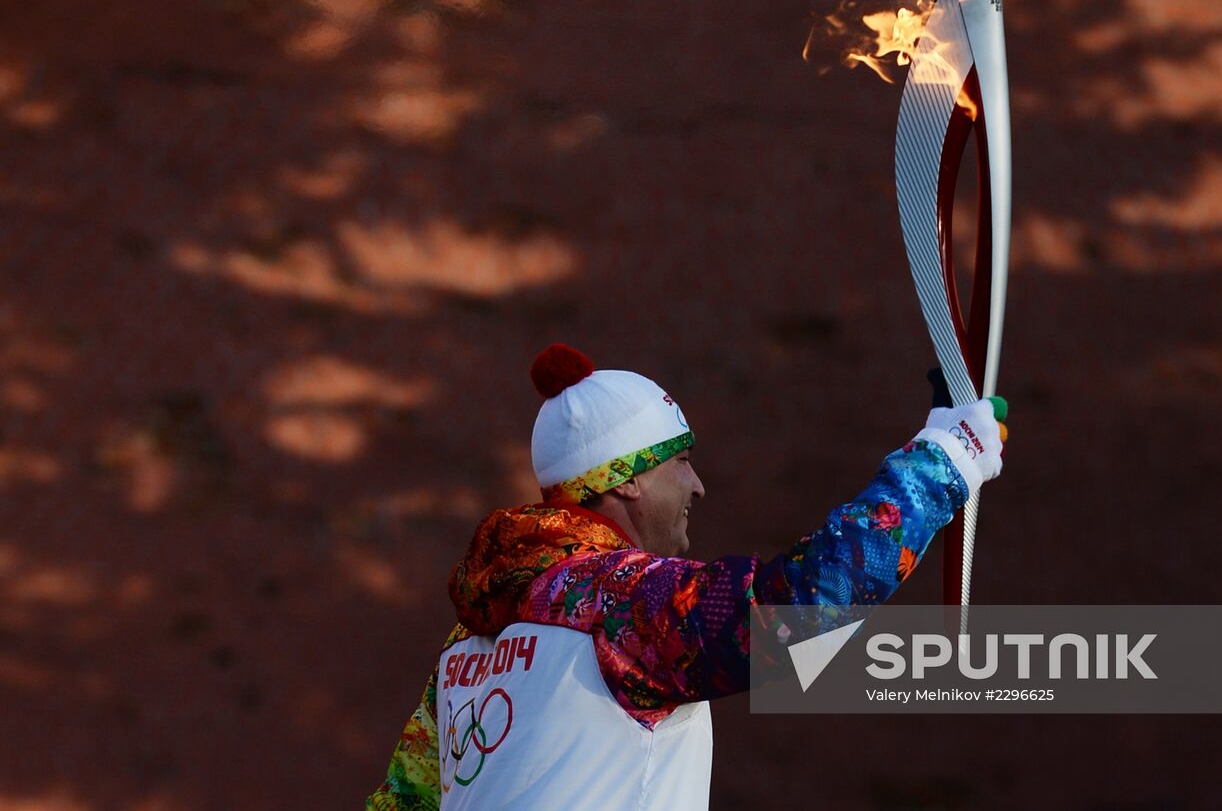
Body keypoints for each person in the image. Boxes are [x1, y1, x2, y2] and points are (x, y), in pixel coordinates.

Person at [366, 343, 1007, 810]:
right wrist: (945, 462)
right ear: (629, 477)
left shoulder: (464, 646)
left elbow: (402, 804)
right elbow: (807, 607)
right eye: (682, 461)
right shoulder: (617, 603)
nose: (698, 484)